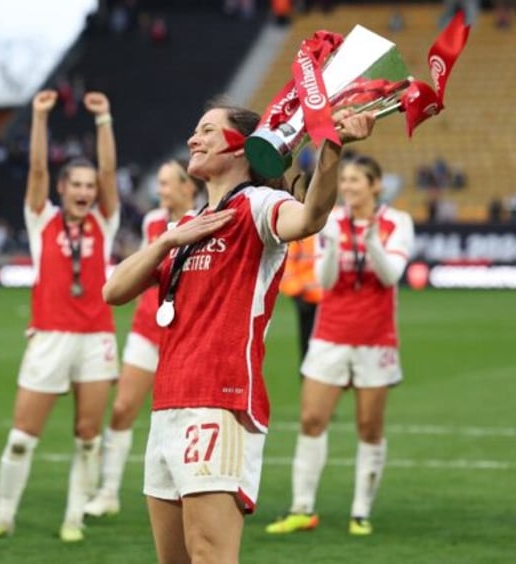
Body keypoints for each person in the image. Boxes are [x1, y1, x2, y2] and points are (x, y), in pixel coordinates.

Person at [101, 98, 375, 563]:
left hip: (221, 403)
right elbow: (114, 290)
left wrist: (331, 150)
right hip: (168, 405)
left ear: (242, 148)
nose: (194, 139)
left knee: (210, 556)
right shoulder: (185, 226)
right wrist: (168, 239)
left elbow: (309, 218)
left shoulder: (260, 205)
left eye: (207, 130)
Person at [0, 89, 119, 543]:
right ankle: (3, 516)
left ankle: (74, 516)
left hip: (95, 337)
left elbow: (109, 169)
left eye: (90, 187)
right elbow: (35, 168)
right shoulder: (42, 221)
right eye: (77, 185)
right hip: (50, 337)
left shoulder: (104, 222)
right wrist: (37, 118)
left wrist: (105, 120)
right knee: (22, 436)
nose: (85, 193)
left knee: (88, 434)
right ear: (61, 189)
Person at [266, 155, 414, 537]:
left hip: (375, 339)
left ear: (375, 185)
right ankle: (302, 507)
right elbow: (325, 280)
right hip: (330, 334)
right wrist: (331, 248)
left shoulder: (397, 223)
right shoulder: (331, 222)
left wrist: (370, 243)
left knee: (369, 426)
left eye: (355, 180)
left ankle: (360, 511)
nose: (347, 186)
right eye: (344, 180)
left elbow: (391, 275)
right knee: (312, 419)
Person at [84, 159, 201, 517]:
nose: (159, 190)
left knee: (183, 416)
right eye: (159, 183)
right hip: (147, 328)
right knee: (122, 408)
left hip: (185, 335)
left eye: (166, 183)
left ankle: (190, 489)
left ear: (188, 187)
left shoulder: (205, 221)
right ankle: (107, 493)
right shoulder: (153, 221)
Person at [278, 234, 322, 366]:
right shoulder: (305, 233)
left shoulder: (339, 227)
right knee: (309, 351)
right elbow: (287, 264)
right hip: (308, 300)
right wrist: (296, 293)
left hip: (335, 302)